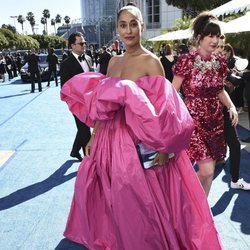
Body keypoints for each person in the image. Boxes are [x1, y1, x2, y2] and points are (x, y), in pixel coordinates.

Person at [61, 5, 223, 249]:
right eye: (123, 25)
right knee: (114, 193)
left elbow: (166, 111)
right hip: (110, 138)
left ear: (142, 26)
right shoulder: (113, 62)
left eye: (133, 24)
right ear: (117, 28)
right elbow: (105, 105)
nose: (128, 30)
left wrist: (165, 149)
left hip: (141, 143)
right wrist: (94, 135)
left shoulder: (152, 62)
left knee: (143, 203)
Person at [172, 12, 238, 197]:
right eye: (210, 35)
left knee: (206, 174)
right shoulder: (187, 61)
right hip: (192, 122)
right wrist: (175, 117)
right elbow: (172, 92)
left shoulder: (220, 63)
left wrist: (231, 106)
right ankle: (188, 204)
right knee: (207, 170)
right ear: (200, 37)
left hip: (214, 122)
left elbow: (219, 90)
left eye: (217, 36)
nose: (215, 40)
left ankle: (201, 213)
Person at [215, 42, 250, 190]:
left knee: (234, 145)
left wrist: (239, 76)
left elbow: (233, 81)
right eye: (219, 45)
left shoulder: (222, 64)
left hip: (224, 111)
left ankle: (235, 180)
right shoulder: (201, 63)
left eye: (223, 46)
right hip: (205, 113)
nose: (221, 49)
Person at [60, 32, 93, 161]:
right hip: (78, 104)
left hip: (91, 102)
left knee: (83, 127)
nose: (84, 45)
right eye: (81, 43)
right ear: (72, 46)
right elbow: (64, 87)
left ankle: (74, 151)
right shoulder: (66, 64)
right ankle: (90, 163)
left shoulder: (89, 58)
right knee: (86, 132)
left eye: (84, 43)